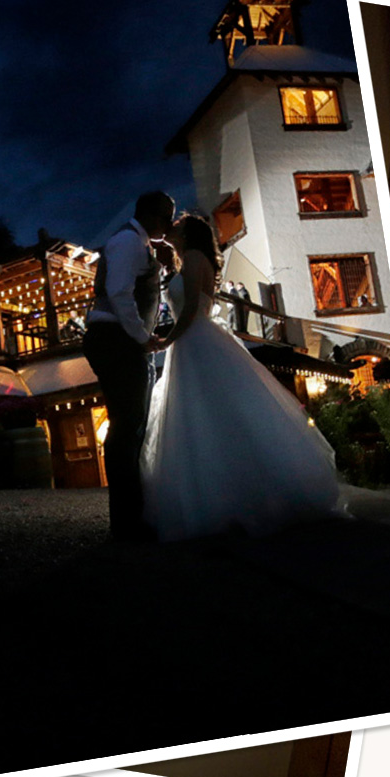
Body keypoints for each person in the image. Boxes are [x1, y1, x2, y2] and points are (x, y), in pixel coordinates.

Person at [141, 213, 340, 542]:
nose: (171, 225)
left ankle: (225, 499)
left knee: (206, 417)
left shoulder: (191, 258)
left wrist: (166, 340)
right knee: (212, 417)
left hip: (194, 340)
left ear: (188, 233)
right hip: (196, 341)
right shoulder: (188, 259)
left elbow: (191, 308)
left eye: (176, 224)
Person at [83, 191, 175, 539]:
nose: (168, 225)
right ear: (151, 216)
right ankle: (126, 523)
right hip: (114, 339)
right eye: (167, 218)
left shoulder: (139, 244)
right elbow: (119, 292)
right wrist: (140, 336)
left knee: (130, 425)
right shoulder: (127, 241)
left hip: (118, 340)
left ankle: (130, 517)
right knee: (126, 427)